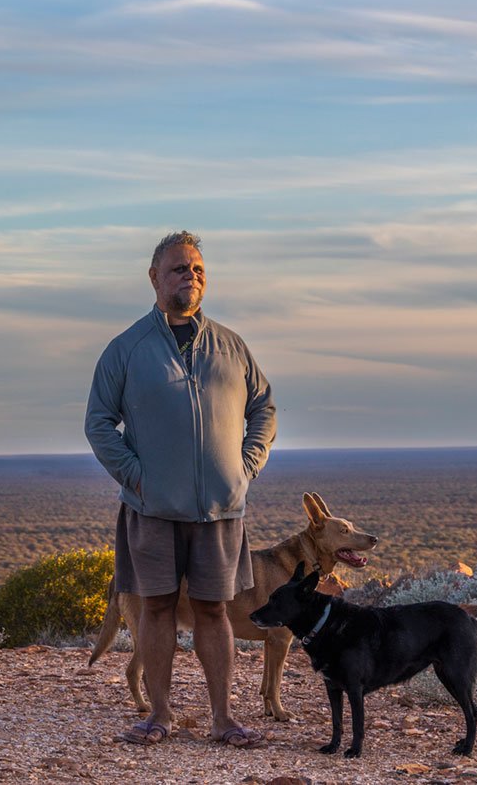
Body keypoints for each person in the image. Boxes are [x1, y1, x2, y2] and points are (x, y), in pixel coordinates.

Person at [85, 231, 277, 748]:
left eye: (197, 269)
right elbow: (99, 423)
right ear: (153, 278)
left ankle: (223, 718)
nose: (189, 277)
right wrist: (135, 475)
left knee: (215, 610)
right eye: (177, 269)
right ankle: (159, 716)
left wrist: (248, 463)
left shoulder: (231, 346)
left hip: (220, 507)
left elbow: (264, 408)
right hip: (151, 508)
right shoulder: (125, 350)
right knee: (157, 608)